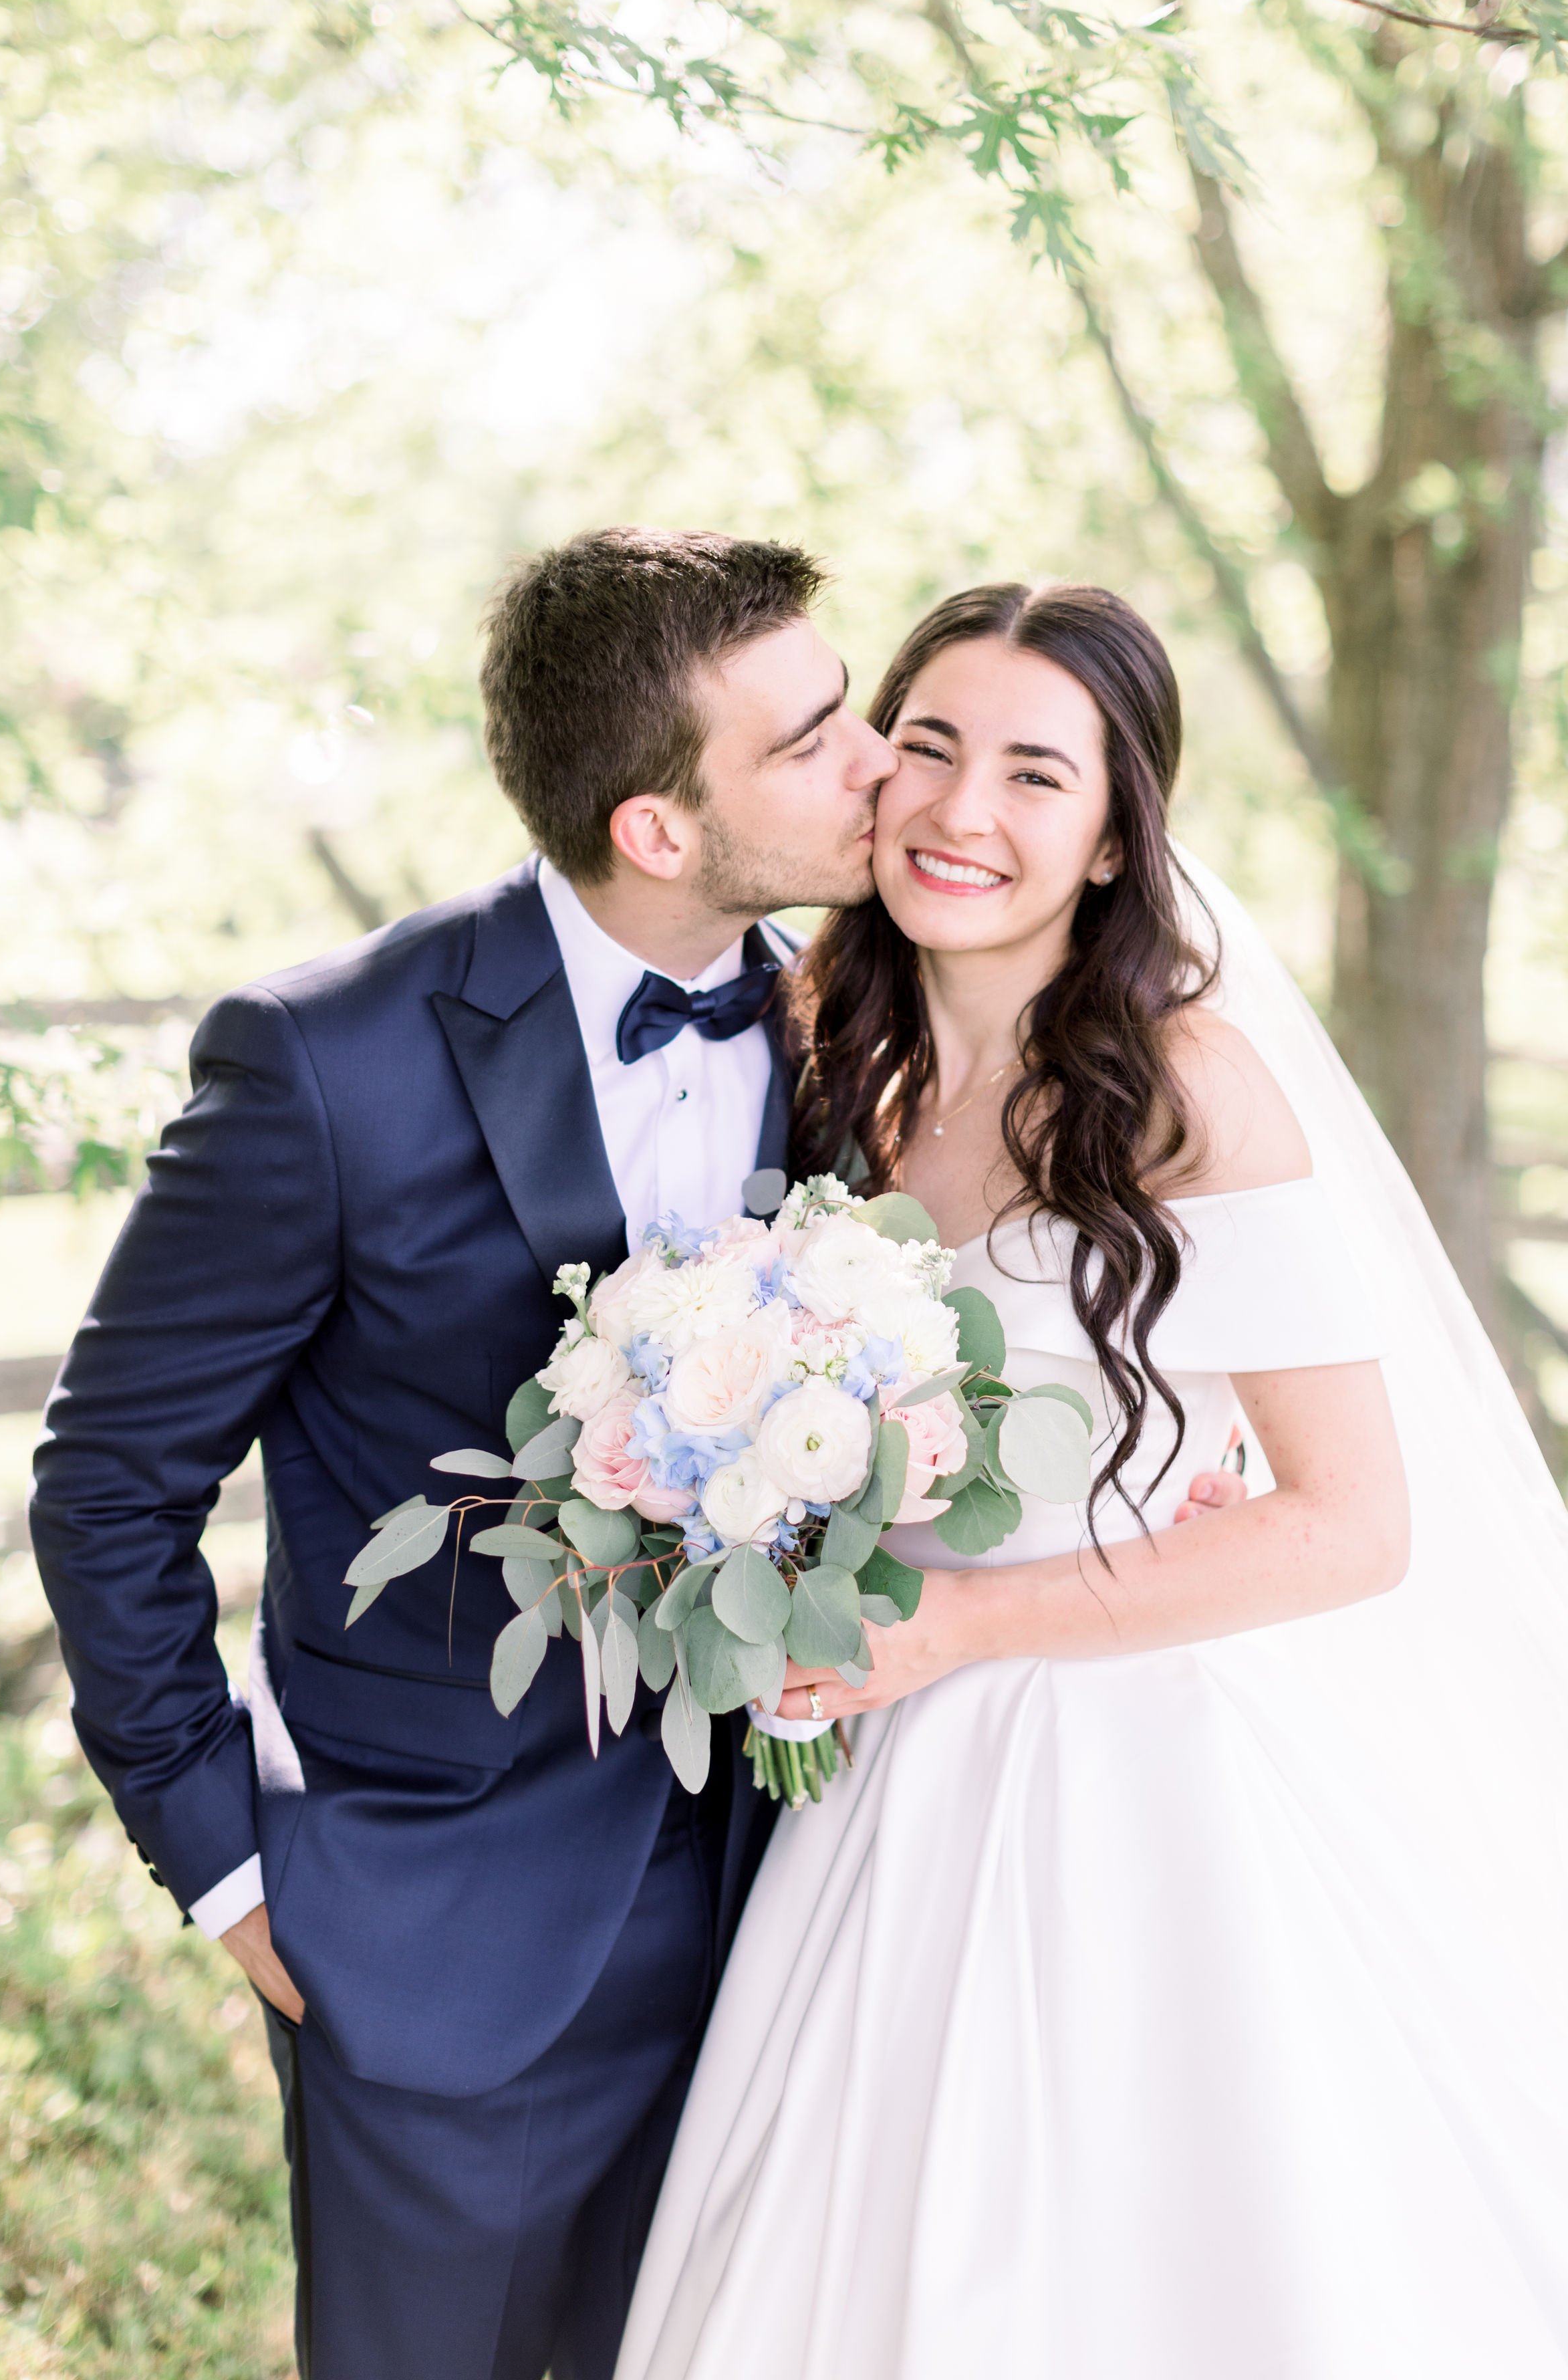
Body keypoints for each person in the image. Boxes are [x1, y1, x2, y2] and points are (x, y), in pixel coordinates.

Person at [27, 534, 1245, 2380]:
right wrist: (228, 1868)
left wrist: (1144, 1483)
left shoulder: (861, 1023)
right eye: (821, 737)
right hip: (434, 1930)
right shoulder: (326, 1061)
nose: (886, 770)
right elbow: (109, 1480)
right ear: (662, 829)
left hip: (810, 1900)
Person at [614, 584, 1568, 2380]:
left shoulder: (1189, 1092)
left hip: (1134, 1765)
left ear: (1118, 831)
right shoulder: (819, 1047)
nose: (966, 812)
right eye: (936, 749)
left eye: (1037, 775)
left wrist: (963, 1617)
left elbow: (1352, 1523)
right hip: (875, 1778)